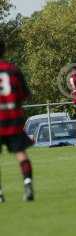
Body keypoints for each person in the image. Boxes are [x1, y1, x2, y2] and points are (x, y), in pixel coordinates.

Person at [0, 39, 34, 202]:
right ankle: (28, 184)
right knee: (20, 153)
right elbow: (25, 95)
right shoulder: (13, 70)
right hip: (13, 119)